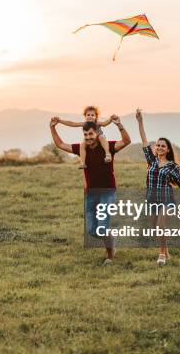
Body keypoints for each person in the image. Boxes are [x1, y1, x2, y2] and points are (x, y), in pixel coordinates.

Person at [50, 114, 131, 266]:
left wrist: (119, 125)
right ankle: (112, 238)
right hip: (91, 195)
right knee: (92, 231)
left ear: (97, 133)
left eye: (91, 134)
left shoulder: (108, 147)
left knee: (102, 227)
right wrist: (52, 127)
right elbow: (60, 144)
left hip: (107, 193)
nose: (88, 137)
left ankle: (110, 256)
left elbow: (126, 141)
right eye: (86, 134)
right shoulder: (82, 150)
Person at [136, 108, 180, 266]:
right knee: (155, 229)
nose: (159, 147)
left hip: (166, 199)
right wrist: (140, 122)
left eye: (163, 146)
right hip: (151, 199)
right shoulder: (151, 161)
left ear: (167, 149)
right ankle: (166, 251)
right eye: (158, 145)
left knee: (161, 225)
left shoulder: (172, 166)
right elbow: (144, 140)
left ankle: (161, 255)